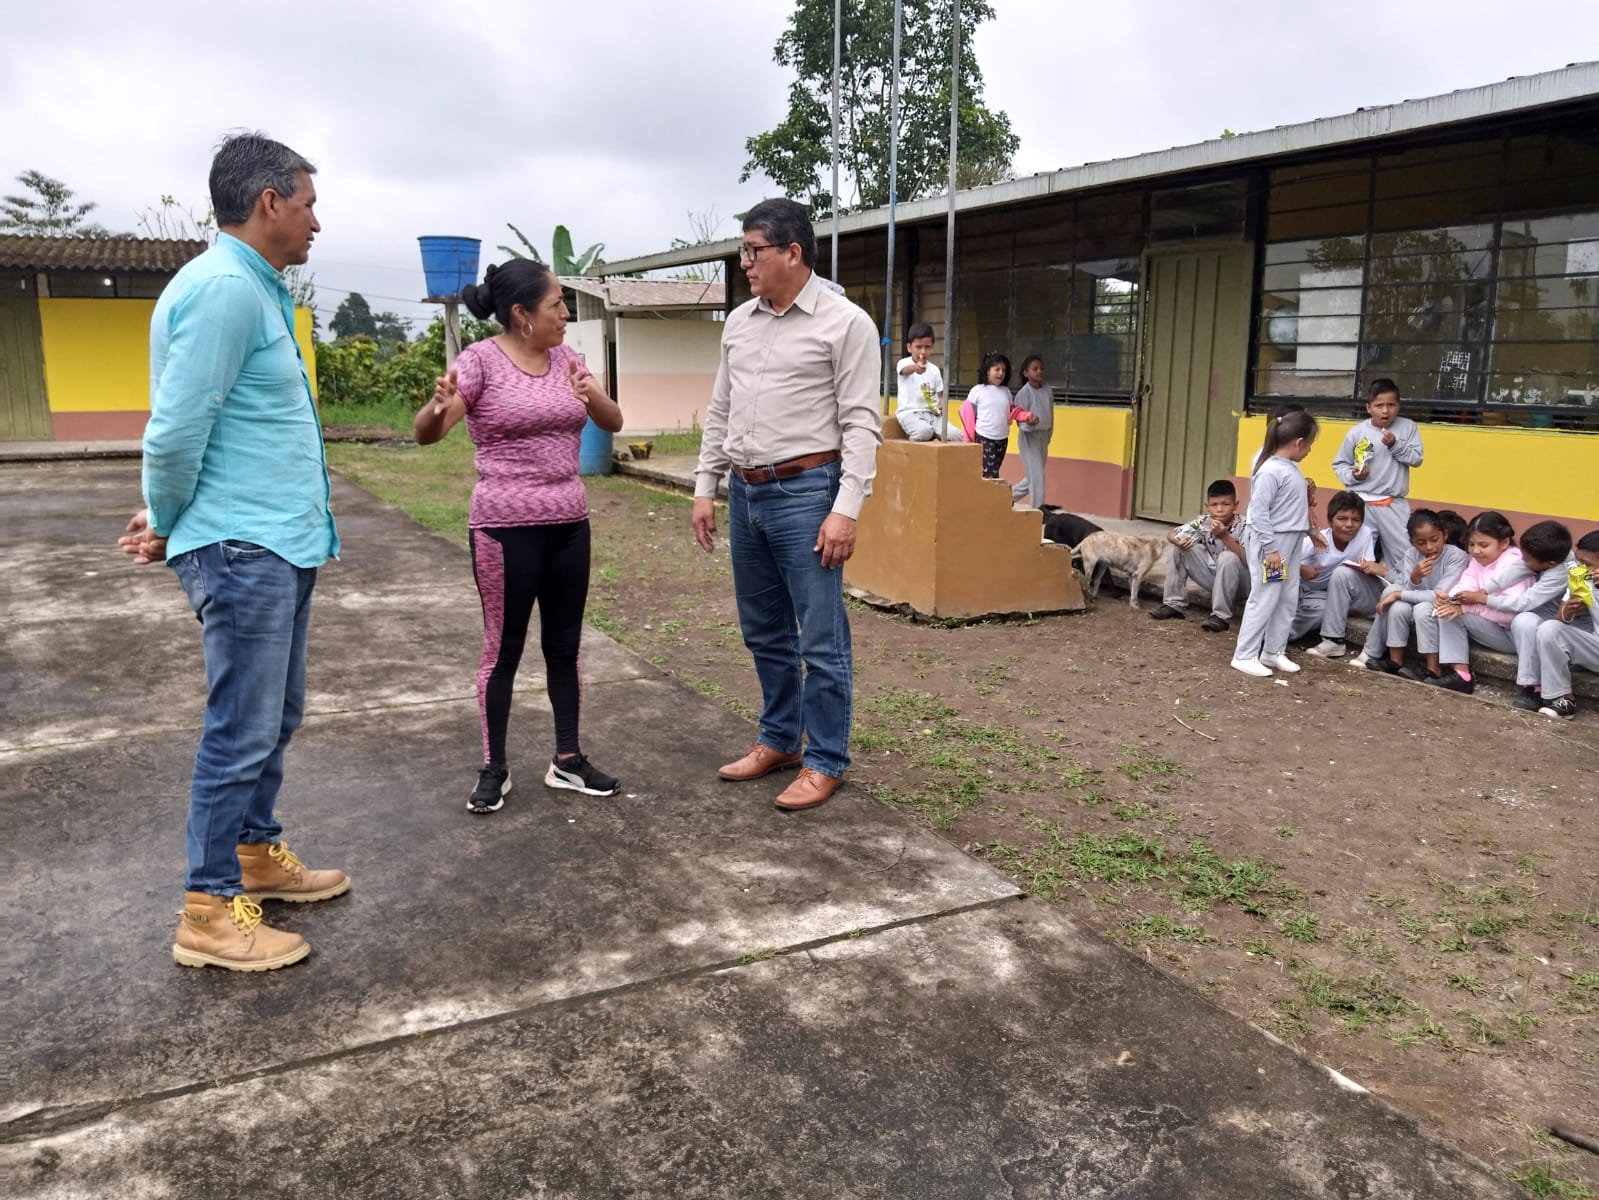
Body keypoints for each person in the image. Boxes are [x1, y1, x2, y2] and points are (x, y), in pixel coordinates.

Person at [118, 132, 346, 972]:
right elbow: (177, 429)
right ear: (269, 202)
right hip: (243, 548)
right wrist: (168, 518)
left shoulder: (253, 288)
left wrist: (166, 514)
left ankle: (253, 853)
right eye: (309, 204)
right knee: (239, 731)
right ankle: (209, 912)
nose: (317, 222)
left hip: (275, 542)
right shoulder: (222, 290)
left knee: (273, 717)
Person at [691, 198, 882, 812]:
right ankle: (780, 739)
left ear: (793, 253)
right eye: (743, 251)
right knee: (763, 630)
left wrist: (846, 508)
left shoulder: (846, 323)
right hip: (746, 490)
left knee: (820, 638)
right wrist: (705, 486)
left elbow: (861, 424)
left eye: (754, 250)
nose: (744, 262)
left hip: (807, 492)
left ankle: (826, 759)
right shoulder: (739, 323)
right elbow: (721, 409)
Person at [414, 260, 625, 812]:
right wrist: (437, 405)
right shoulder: (480, 361)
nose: (565, 313)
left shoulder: (568, 359)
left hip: (569, 526)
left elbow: (613, 421)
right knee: (502, 651)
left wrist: (589, 393)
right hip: (504, 531)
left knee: (564, 647)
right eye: (556, 303)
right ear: (521, 313)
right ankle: (494, 769)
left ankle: (568, 760)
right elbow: (429, 433)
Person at [1450, 519, 1576, 712]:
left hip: (1561, 627)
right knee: (1525, 620)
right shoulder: (1544, 555)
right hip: (1536, 624)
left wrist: (1482, 599)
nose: (1521, 559)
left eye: (1526, 558)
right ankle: (1530, 685)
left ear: (1549, 564)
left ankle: (1534, 688)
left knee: (1524, 619)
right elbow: (1514, 572)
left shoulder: (1560, 572)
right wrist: (1485, 590)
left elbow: (1523, 603)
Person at [1231, 410, 1318, 678]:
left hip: (1290, 542)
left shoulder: (1290, 467)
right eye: (1310, 444)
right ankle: (1244, 654)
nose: (1310, 450)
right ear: (1299, 442)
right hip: (1274, 545)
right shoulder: (1270, 470)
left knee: (1287, 597)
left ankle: (1273, 651)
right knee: (1266, 596)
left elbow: (1290, 508)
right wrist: (1271, 550)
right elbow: (1259, 513)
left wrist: (1311, 531)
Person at [1418, 511, 1532, 695]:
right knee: (1447, 610)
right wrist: (1449, 598)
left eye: (1483, 545)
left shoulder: (1514, 564)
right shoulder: (1479, 560)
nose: (1476, 551)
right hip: (1493, 626)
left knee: (1455, 612)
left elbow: (1511, 614)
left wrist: (1468, 607)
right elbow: (1465, 584)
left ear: (1504, 542)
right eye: (1471, 544)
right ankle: (1461, 674)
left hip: (1514, 635)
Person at [1349, 509, 1469, 678]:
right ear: (1412, 542)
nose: (1429, 547)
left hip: (1438, 606)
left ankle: (1433, 669)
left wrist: (1400, 594)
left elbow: (1440, 595)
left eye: (1434, 539)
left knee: (1417, 606)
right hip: (1416, 601)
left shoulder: (1456, 557)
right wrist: (1415, 577)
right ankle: (1395, 662)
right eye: (1421, 542)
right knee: (1398, 606)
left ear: (1445, 534)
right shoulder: (1412, 555)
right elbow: (1406, 587)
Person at [1331, 378, 1424, 572]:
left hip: (1393, 503)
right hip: (1361, 503)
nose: (1385, 411)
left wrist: (1395, 445)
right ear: (1368, 407)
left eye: (1391, 405)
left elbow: (1416, 459)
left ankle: (1401, 589)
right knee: (1357, 556)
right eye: (1379, 405)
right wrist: (1354, 476)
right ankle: (1357, 591)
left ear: (1399, 406)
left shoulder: (1408, 427)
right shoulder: (1356, 433)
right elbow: (1340, 464)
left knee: (1405, 555)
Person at [1147, 479, 1248, 633]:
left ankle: (1220, 616)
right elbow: (1172, 533)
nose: (1219, 509)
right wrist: (1177, 540)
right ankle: (1173, 604)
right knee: (1178, 549)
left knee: (1227, 557)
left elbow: (1247, 559)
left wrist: (1225, 537)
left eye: (1226, 504)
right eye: (1214, 505)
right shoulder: (1203, 522)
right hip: (1216, 579)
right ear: (1207, 506)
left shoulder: (1245, 525)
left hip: (1242, 583)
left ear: (1236, 505)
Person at [1291, 491, 1376, 641]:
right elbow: (1272, 564)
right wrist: (1300, 569)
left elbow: (1367, 571)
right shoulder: (1316, 541)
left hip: (1321, 595)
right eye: (1342, 519)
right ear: (1330, 521)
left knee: (1323, 613)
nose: (1349, 525)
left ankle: (1285, 636)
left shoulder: (1365, 535)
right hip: (1294, 588)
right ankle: (1268, 636)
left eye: (1356, 520)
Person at [1533, 530, 1599, 720]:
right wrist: (1569, 610)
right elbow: (1559, 619)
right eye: (1579, 561)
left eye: (1587, 563)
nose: (1580, 567)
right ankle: (1562, 699)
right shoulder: (1582, 577)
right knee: (1549, 629)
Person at [970, 352, 1027, 480]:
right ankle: (992, 493)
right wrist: (970, 437)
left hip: (1002, 438)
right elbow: (969, 414)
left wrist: (1026, 416)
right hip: (984, 437)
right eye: (997, 369)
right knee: (991, 474)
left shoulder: (1006, 391)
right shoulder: (977, 390)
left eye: (1003, 370)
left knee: (992, 471)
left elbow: (1012, 411)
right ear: (987, 371)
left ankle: (984, 491)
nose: (1001, 373)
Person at [1010, 354, 1053, 508]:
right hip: (1029, 438)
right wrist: (1030, 422)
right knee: (1038, 476)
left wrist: (1049, 434)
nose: (1039, 371)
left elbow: (1051, 413)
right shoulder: (1024, 393)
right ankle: (1038, 510)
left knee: (1034, 477)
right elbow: (1020, 419)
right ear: (1026, 373)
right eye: (1035, 369)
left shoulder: (1048, 391)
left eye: (1041, 368)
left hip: (1043, 437)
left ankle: (1007, 497)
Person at [894, 322, 944, 443]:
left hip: (933, 415)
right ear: (909, 347)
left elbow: (940, 395)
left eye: (927, 347)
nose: (923, 351)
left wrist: (941, 405)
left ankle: (933, 434)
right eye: (918, 347)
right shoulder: (903, 363)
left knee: (955, 435)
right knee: (924, 432)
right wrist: (915, 368)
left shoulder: (935, 369)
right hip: (909, 413)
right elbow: (904, 371)